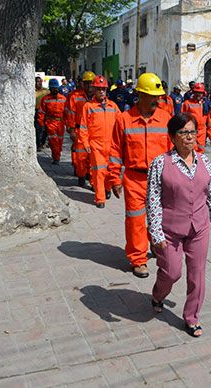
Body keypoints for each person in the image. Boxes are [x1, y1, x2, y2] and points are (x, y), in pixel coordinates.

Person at [147, 113, 211, 338]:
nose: (189, 137)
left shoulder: (204, 161)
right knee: (171, 272)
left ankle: (191, 317)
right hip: (169, 230)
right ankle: (158, 295)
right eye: (183, 132)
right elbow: (152, 198)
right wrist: (156, 231)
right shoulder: (161, 163)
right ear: (173, 136)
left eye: (192, 131)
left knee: (197, 274)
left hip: (198, 227)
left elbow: (210, 193)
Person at [108, 73, 173, 278]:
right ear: (140, 95)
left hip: (160, 179)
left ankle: (154, 242)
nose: (157, 100)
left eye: (159, 96)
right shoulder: (124, 120)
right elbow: (116, 151)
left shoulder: (166, 118)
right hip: (134, 178)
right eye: (153, 96)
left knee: (160, 218)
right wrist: (114, 178)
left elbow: (173, 151)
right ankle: (138, 259)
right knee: (135, 219)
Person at [78, 75, 120, 208]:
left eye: (103, 89)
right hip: (96, 145)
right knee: (98, 172)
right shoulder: (88, 106)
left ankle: (107, 188)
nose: (101, 91)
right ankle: (99, 198)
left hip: (112, 144)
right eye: (98, 89)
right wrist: (85, 143)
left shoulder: (113, 106)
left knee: (109, 171)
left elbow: (121, 123)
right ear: (94, 90)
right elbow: (83, 127)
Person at [65, 71, 95, 187]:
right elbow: (71, 114)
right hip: (79, 130)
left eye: (91, 83)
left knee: (93, 157)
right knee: (81, 156)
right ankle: (81, 177)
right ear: (82, 83)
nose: (88, 86)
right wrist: (72, 130)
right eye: (86, 83)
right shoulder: (75, 96)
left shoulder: (97, 97)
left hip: (93, 131)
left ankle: (93, 181)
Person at [37, 79, 66, 164]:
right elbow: (41, 112)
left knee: (60, 141)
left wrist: (68, 124)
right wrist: (41, 123)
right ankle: (56, 158)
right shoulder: (45, 99)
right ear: (50, 88)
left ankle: (57, 155)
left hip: (60, 123)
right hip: (50, 123)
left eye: (56, 88)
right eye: (53, 88)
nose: (55, 90)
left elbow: (67, 112)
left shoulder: (63, 98)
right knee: (54, 141)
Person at [181, 83, 208, 153]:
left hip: (202, 131)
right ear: (193, 92)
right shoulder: (187, 103)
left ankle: (199, 163)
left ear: (203, 93)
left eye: (200, 93)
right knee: (191, 149)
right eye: (197, 92)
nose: (198, 94)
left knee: (201, 150)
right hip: (191, 130)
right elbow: (182, 117)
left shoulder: (205, 104)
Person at [35, 76, 50, 150]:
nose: (39, 83)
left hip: (46, 112)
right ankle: (39, 144)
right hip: (36, 111)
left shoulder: (46, 91)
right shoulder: (33, 92)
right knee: (38, 129)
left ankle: (43, 142)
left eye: (40, 81)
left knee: (46, 129)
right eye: (38, 81)